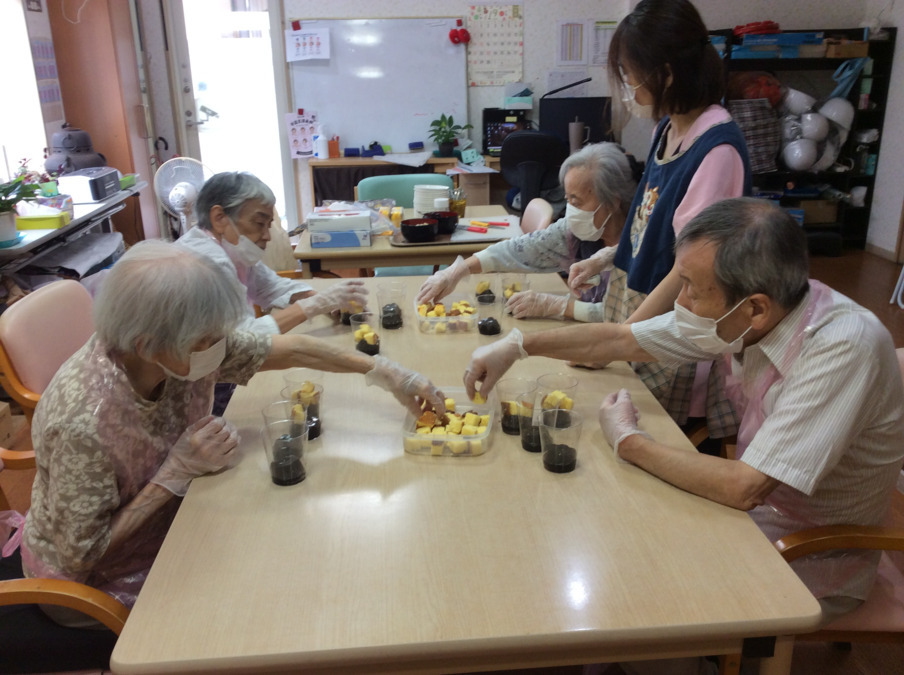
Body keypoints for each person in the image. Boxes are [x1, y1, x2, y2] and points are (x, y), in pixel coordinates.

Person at [465, 197, 904, 624]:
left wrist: (630, 442)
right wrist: (519, 345)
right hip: (754, 515)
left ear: (754, 308)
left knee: (631, 580)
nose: (682, 304)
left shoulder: (840, 347)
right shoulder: (754, 310)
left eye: (692, 290)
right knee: (608, 525)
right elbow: (621, 340)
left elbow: (745, 488)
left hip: (810, 553)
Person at [20, 241, 445, 625]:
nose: (221, 348)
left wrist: (385, 372)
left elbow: (286, 349)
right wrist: (173, 473)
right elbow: (83, 553)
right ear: (147, 346)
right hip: (89, 585)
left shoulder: (170, 346)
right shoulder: (83, 424)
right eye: (209, 340)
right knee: (260, 606)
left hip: (174, 523)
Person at [566, 0, 752, 443]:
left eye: (631, 74)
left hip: (671, 315)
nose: (628, 85)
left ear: (665, 72)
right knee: (614, 418)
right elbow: (650, 228)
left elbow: (687, 270)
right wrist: (608, 257)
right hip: (636, 305)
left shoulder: (716, 149)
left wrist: (619, 341)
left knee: (656, 437)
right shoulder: (666, 130)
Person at [416, 143, 638, 321]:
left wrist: (558, 306)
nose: (570, 210)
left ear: (613, 201)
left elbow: (627, 319)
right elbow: (519, 250)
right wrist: (457, 271)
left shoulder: (641, 245)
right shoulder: (574, 231)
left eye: (576, 201)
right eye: (567, 199)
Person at [176, 171, 367, 336]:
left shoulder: (230, 251)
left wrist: (327, 300)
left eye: (268, 226)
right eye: (259, 224)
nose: (267, 236)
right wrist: (316, 303)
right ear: (219, 218)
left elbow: (272, 286)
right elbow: (242, 339)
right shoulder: (205, 263)